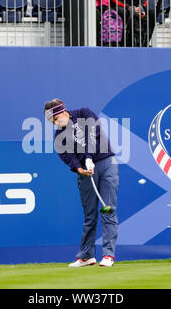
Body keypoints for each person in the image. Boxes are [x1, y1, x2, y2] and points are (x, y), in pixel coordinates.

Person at [44, 99, 119, 268]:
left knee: (108, 209)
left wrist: (89, 157)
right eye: (52, 121)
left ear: (63, 112)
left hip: (106, 162)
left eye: (55, 119)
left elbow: (93, 134)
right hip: (86, 172)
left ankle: (108, 255)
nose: (55, 123)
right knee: (90, 215)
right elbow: (67, 157)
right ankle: (86, 256)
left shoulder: (84, 113)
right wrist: (79, 168)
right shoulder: (59, 136)